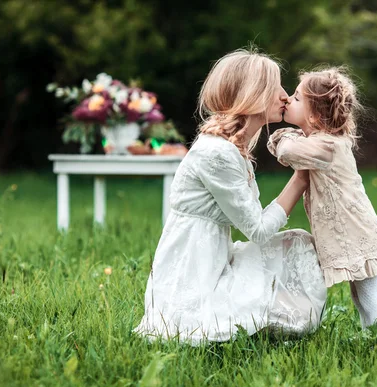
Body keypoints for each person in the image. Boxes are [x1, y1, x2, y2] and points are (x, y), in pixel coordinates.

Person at [135, 49, 327, 344]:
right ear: (253, 94)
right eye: (275, 87)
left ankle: (271, 323)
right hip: (195, 273)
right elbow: (259, 231)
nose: (285, 96)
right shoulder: (217, 154)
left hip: (214, 257)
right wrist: (300, 178)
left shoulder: (230, 148)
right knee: (294, 246)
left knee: (296, 242)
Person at [268, 67, 377, 329]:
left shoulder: (326, 146)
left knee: (369, 299)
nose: (288, 101)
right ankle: (375, 335)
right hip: (353, 231)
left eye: (296, 98)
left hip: (357, 233)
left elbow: (287, 153)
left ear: (315, 114)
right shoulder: (320, 140)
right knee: (360, 296)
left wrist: (283, 135)